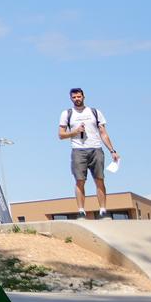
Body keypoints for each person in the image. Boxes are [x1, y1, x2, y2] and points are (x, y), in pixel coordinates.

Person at [58, 88, 120, 219]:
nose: (77, 99)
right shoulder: (67, 114)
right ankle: (81, 211)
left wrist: (112, 150)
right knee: (80, 180)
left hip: (96, 148)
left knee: (99, 179)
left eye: (79, 96)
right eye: (74, 97)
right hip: (78, 150)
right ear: (71, 98)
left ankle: (103, 210)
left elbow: (103, 133)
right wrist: (74, 132)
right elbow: (61, 135)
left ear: (83, 97)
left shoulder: (95, 112)